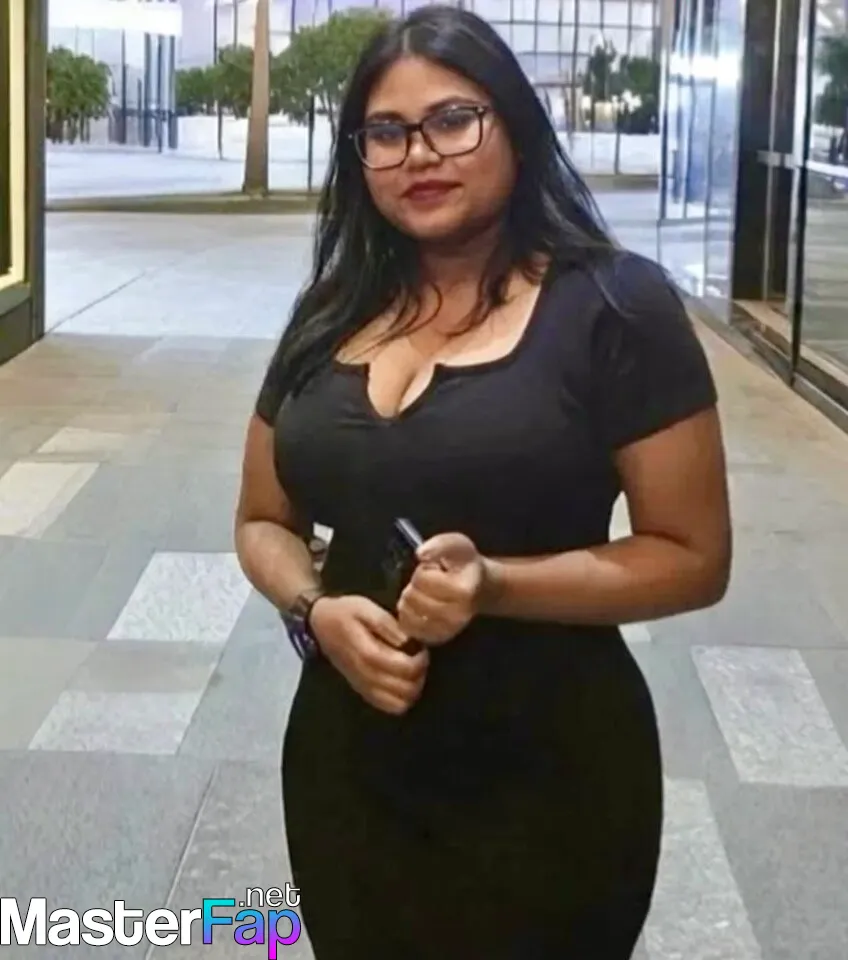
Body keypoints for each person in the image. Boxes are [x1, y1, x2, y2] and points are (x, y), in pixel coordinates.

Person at [234, 6, 732, 959]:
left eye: (453, 120)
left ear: (515, 125)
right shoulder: (329, 310)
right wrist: (314, 609)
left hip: (549, 770)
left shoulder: (617, 307)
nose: (420, 153)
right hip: (349, 762)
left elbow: (694, 556)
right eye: (387, 132)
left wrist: (496, 584)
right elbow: (261, 519)